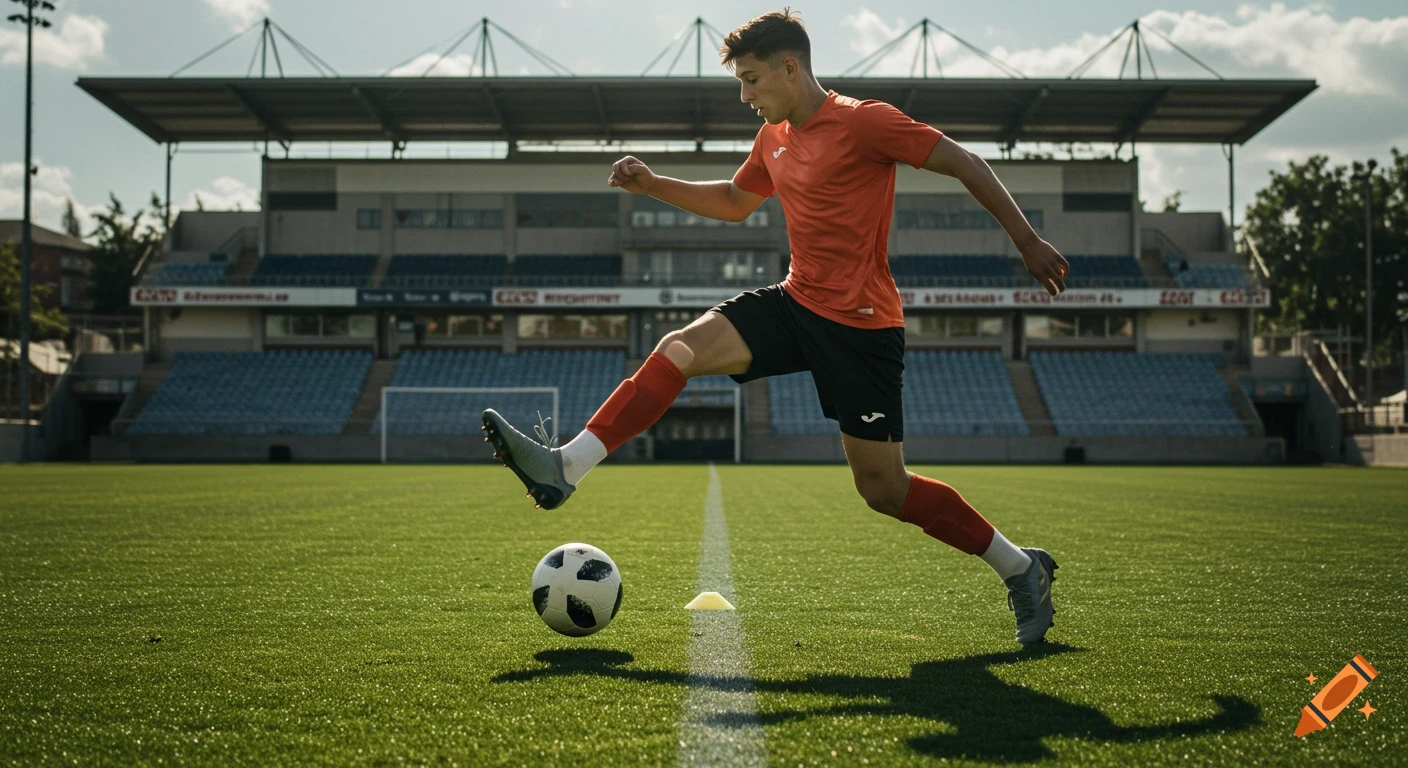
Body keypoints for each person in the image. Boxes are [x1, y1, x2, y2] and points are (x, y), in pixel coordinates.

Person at [483, 8, 1069, 644]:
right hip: (794, 303)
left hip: (862, 327)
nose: (746, 95)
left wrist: (1027, 241)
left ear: (791, 68)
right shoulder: (774, 138)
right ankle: (566, 466)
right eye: (741, 82)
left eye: (753, 80)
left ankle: (1021, 568)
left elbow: (964, 162)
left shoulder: (865, 122)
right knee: (679, 347)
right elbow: (736, 203)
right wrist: (654, 185)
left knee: (883, 489)